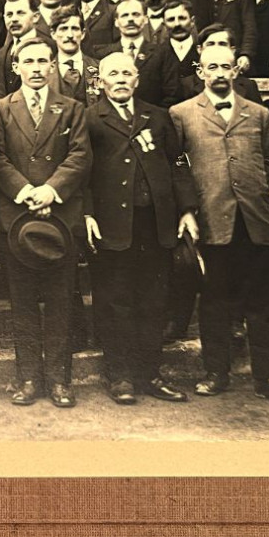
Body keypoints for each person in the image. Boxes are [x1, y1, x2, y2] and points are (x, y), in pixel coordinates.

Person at [170, 40, 269, 407]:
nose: (219, 74)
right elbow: (177, 167)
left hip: (256, 222)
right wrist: (190, 208)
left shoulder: (259, 113)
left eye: (225, 67)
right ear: (201, 72)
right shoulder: (182, 114)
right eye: (211, 67)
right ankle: (216, 372)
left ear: (236, 71)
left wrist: (248, 193)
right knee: (214, 301)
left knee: (263, 304)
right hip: (212, 221)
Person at [84, 52, 199, 405]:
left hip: (156, 224)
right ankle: (119, 374)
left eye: (126, 73)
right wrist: (87, 214)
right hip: (111, 224)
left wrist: (187, 211)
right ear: (101, 82)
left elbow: (178, 165)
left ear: (137, 79)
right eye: (112, 74)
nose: (120, 79)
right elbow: (81, 172)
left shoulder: (159, 118)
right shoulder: (90, 119)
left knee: (153, 300)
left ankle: (150, 373)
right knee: (115, 299)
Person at [0, 34, 92, 407]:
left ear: (53, 66)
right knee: (23, 302)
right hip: (16, 219)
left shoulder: (72, 108)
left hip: (59, 219)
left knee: (61, 301)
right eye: (27, 62)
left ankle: (59, 380)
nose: (35, 69)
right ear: (16, 67)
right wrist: (25, 193)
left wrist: (51, 190)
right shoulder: (0, 109)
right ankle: (29, 378)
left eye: (41, 62)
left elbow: (80, 155)